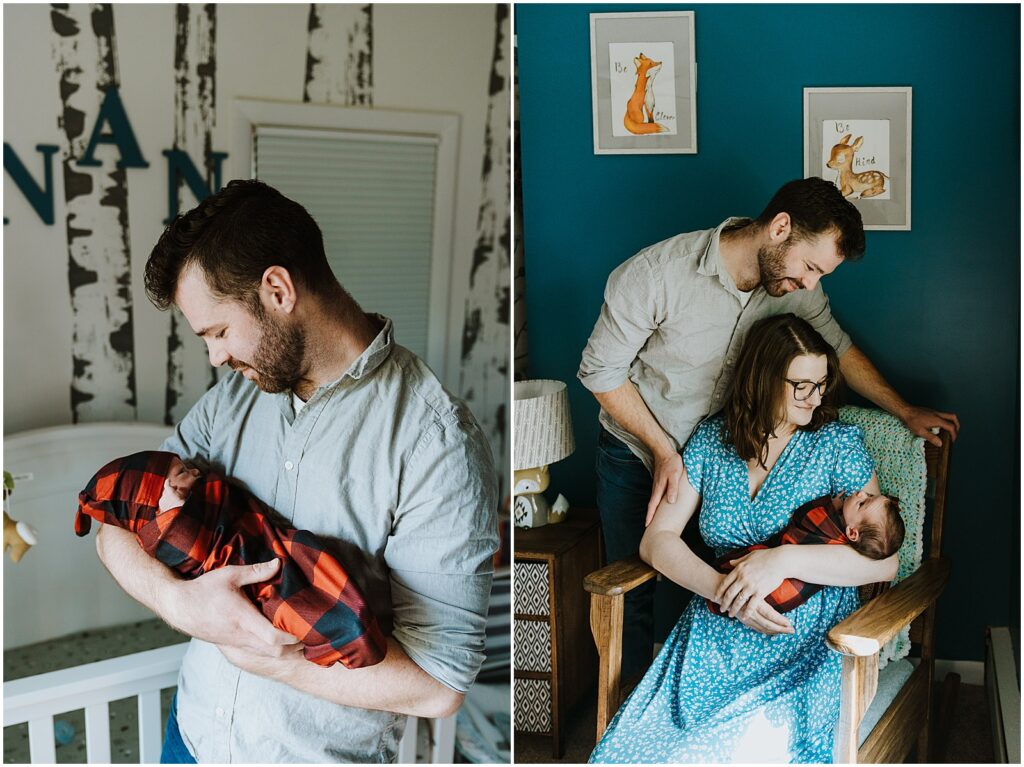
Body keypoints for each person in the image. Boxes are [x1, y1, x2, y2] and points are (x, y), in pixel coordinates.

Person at [93, 179, 498, 763]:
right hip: (190, 739)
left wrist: (274, 660)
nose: (215, 357)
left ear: (278, 289)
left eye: (218, 332)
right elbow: (116, 523)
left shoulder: (435, 442)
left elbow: (439, 685)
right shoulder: (232, 401)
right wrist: (181, 604)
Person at [578, 176, 959, 678]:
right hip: (644, 449)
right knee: (637, 594)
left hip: (723, 450)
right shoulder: (656, 275)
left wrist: (904, 410)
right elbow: (599, 373)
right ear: (780, 228)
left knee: (721, 580)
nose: (810, 284)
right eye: (811, 267)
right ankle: (632, 699)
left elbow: (837, 348)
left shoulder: (795, 294)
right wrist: (666, 452)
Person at [589, 313, 898, 764]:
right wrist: (722, 590)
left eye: (821, 384)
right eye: (802, 386)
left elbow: (883, 562)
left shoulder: (836, 445)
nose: (815, 398)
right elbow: (657, 541)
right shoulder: (713, 441)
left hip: (801, 637)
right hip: (715, 630)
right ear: (765, 379)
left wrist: (780, 562)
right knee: (631, 753)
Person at [76, 450, 387, 668]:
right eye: (183, 472)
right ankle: (349, 633)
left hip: (265, 547)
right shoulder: (166, 533)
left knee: (317, 567)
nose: (196, 471)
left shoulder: (199, 492)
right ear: (160, 496)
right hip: (196, 715)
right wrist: (177, 599)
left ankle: (355, 622)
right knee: (303, 605)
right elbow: (115, 533)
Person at [705, 489, 905, 617]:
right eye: (868, 495)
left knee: (747, 568)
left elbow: (804, 518)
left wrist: (829, 504)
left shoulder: (832, 533)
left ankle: (726, 588)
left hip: (778, 594)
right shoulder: (853, 537)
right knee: (738, 579)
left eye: (863, 503)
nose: (861, 493)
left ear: (852, 533)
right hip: (718, 591)